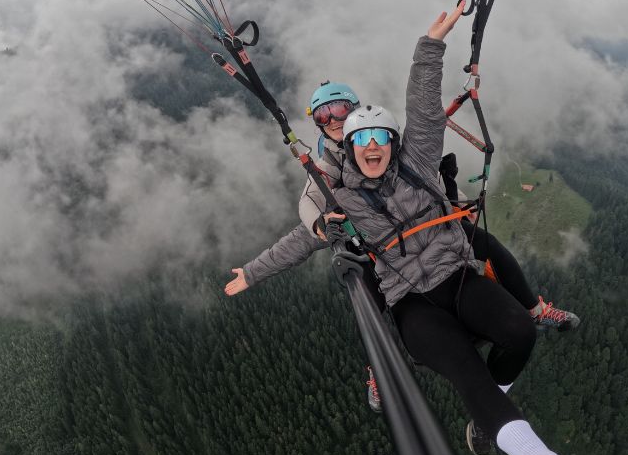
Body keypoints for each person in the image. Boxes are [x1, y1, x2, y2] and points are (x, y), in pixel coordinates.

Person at [317, 5, 620, 455]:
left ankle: (489, 417)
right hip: (413, 306)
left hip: (454, 275)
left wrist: (431, 44)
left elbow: (424, 108)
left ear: (392, 141)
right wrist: (321, 231)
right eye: (356, 139)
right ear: (346, 148)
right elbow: (314, 229)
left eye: (377, 137)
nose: (368, 145)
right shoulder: (341, 194)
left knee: (519, 332)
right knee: (467, 376)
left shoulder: (418, 165)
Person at [225, 80, 581, 416]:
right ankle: (378, 368)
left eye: (339, 109)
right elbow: (306, 224)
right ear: (316, 123)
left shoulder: (377, 139)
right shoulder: (326, 166)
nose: (332, 119)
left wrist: (448, 199)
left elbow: (418, 175)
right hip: (374, 243)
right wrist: (263, 266)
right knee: (366, 294)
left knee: (480, 239)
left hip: (421, 233)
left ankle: (533, 308)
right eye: (322, 115)